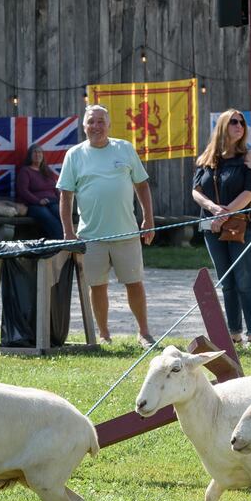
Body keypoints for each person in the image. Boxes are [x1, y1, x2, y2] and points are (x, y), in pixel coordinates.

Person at [58, 104, 156, 345]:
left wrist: (149, 219)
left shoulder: (124, 148)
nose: (96, 126)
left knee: (134, 283)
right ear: (84, 126)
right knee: (97, 286)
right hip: (91, 237)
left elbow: (141, 185)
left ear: (109, 125)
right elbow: (65, 195)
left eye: (101, 121)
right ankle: (104, 335)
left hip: (127, 233)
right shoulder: (74, 154)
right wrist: (68, 232)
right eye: (91, 122)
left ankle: (144, 333)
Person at [191, 108, 251, 347]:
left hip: (240, 226)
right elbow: (196, 191)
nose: (240, 126)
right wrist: (213, 209)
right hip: (211, 226)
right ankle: (234, 333)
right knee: (226, 281)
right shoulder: (207, 159)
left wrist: (226, 213)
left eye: (242, 122)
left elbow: (250, 191)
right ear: (222, 127)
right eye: (234, 122)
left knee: (244, 280)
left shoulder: (248, 158)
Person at [15, 144, 63, 240]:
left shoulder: (47, 171)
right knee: (47, 217)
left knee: (60, 214)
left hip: (52, 201)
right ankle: (60, 242)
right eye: (35, 152)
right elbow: (23, 191)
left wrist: (61, 201)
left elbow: (55, 188)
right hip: (34, 204)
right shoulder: (25, 171)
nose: (38, 155)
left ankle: (69, 239)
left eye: (40, 152)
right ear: (30, 156)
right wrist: (38, 201)